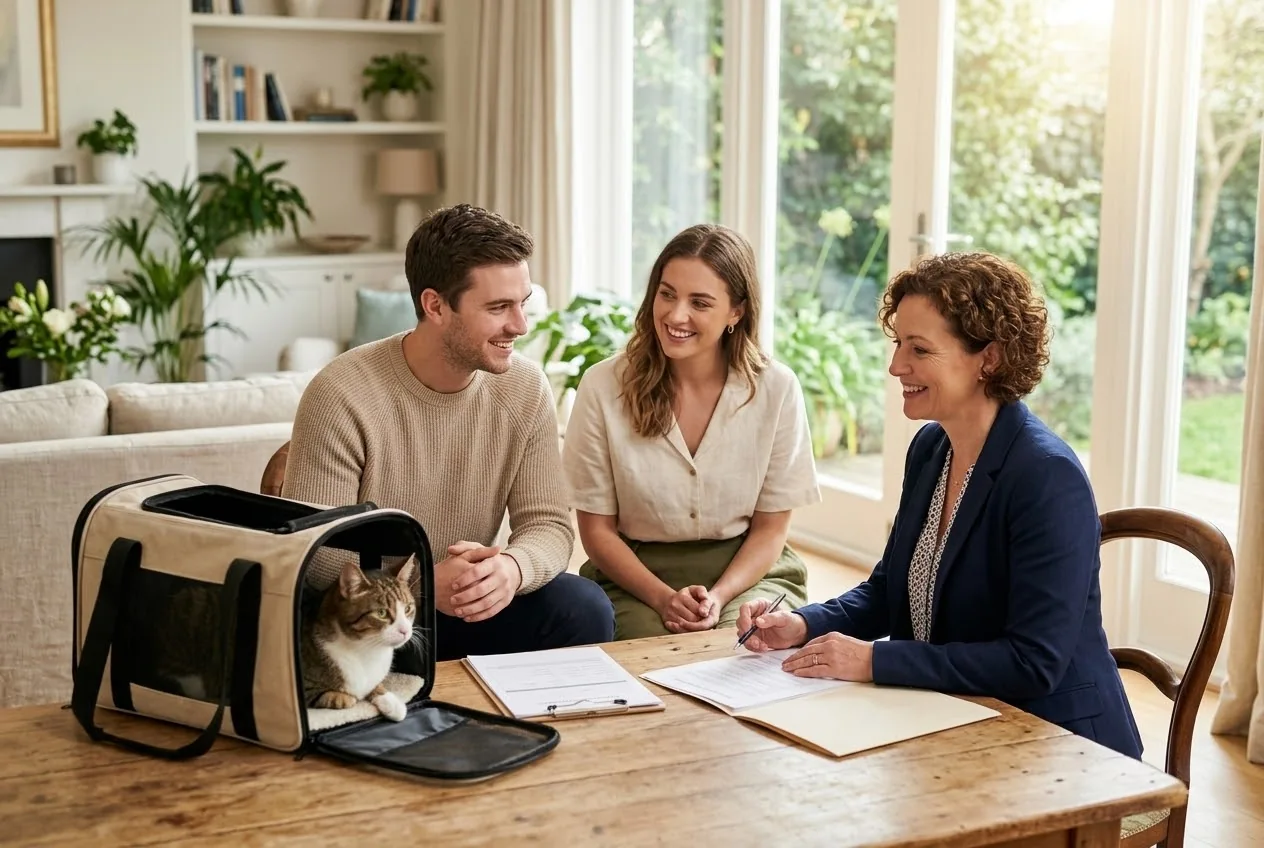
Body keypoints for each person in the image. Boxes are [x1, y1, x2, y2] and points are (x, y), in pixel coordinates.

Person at [736, 251, 1143, 759]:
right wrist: (803, 625)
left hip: (1060, 745)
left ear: (988, 359)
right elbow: (890, 591)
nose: (895, 366)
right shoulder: (932, 448)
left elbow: (1032, 663)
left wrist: (874, 662)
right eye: (898, 344)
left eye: (919, 349)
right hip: (955, 715)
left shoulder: (1046, 477)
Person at [283, 203, 615, 661]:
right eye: (499, 307)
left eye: (523, 304)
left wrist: (512, 570)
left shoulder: (525, 387)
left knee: (583, 607)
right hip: (372, 623)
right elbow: (316, 556)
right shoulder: (341, 392)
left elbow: (549, 525)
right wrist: (420, 585)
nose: (519, 326)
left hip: (464, 610)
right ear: (435, 305)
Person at [563, 224, 821, 641]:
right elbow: (596, 531)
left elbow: (771, 530)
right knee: (651, 659)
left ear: (736, 311)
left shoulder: (776, 387)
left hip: (748, 572)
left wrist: (720, 596)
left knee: (740, 647)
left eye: (699, 302)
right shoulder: (603, 385)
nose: (675, 315)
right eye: (667, 294)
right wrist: (664, 598)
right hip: (634, 576)